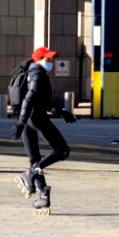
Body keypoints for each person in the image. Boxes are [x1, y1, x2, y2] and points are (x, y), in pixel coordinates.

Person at [11, 47, 77, 215]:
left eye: (50, 60)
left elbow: (42, 102)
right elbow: (30, 98)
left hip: (29, 120)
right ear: (38, 60)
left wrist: (61, 112)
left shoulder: (36, 73)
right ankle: (30, 174)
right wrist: (21, 122)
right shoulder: (37, 74)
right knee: (62, 151)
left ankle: (43, 197)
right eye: (47, 60)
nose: (50, 63)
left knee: (35, 159)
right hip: (34, 119)